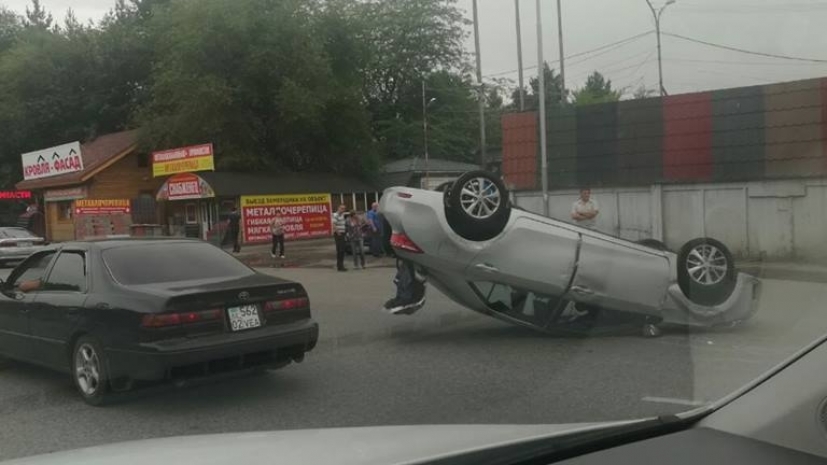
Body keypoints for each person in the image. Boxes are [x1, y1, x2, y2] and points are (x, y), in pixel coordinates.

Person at [332, 204, 348, 272]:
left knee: (342, 250)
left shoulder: (342, 215)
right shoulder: (335, 215)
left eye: (344, 209)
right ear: (338, 208)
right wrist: (338, 232)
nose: (343, 210)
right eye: (342, 208)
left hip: (343, 233)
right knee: (340, 250)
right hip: (339, 234)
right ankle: (340, 266)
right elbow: (333, 224)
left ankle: (340, 265)